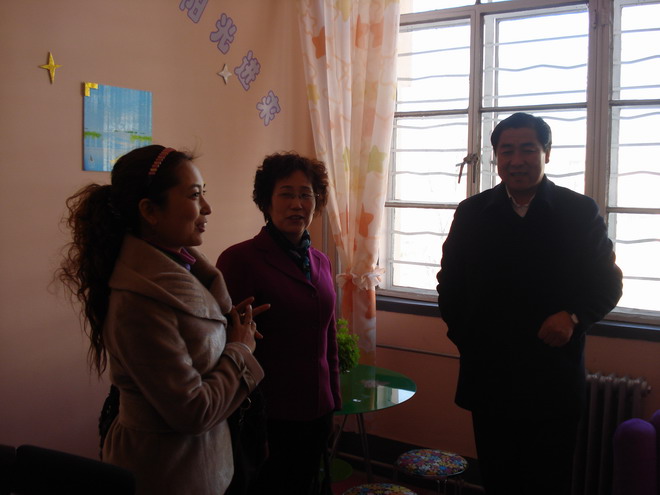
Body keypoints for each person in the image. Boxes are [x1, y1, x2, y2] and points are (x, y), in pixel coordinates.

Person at [58, 145, 266, 495]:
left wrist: (226, 324)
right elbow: (193, 411)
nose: (207, 208)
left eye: (203, 193)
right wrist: (240, 349)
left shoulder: (183, 268)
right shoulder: (138, 302)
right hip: (167, 472)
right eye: (194, 195)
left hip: (204, 462)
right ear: (150, 211)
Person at [436, 113, 623, 495]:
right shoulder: (472, 213)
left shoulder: (578, 212)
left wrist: (573, 317)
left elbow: (608, 282)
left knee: (548, 480)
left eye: (528, 150)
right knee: (498, 477)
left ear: (546, 153)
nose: (516, 160)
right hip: (490, 379)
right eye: (507, 151)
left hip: (552, 379)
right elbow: (449, 285)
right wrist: (467, 338)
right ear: (496, 157)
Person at [216, 152, 341, 495]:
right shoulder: (239, 259)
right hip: (268, 415)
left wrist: (333, 400)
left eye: (306, 195)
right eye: (286, 194)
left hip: (317, 408)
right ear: (266, 201)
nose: (297, 204)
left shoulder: (321, 262)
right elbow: (224, 344)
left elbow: (328, 333)